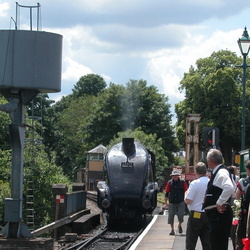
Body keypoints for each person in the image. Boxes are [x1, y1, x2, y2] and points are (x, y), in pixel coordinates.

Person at [203, 148, 235, 250]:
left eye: (207, 160)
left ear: (211, 160)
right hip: (217, 216)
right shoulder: (220, 172)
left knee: (217, 245)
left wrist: (219, 203)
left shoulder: (221, 172)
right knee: (216, 244)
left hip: (218, 216)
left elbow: (230, 188)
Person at [184, 162, 211, 250]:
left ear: (196, 172)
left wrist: (185, 194)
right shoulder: (211, 182)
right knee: (207, 243)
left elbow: (188, 200)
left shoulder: (194, 183)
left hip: (196, 215)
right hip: (208, 214)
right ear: (206, 171)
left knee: (191, 242)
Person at [165, 169, 188, 235]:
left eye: (176, 176)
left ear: (178, 176)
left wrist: (186, 199)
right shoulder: (169, 182)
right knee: (171, 215)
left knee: (181, 215)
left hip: (180, 201)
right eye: (173, 176)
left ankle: (179, 225)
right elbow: (167, 193)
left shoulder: (183, 182)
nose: (174, 177)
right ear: (172, 176)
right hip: (172, 201)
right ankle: (172, 230)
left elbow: (187, 191)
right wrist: (166, 203)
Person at [235, 160, 250, 250]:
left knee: (241, 239)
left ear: (247, 169)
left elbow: (237, 197)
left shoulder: (243, 182)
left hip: (245, 214)